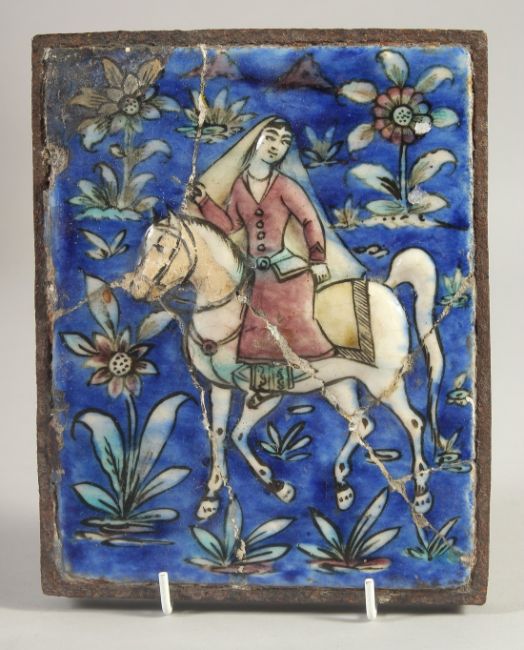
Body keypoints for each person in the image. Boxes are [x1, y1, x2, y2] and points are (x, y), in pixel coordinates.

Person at [190, 116, 364, 371]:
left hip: (288, 273)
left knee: (300, 330)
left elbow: (310, 220)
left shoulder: (284, 185)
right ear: (255, 141)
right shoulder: (240, 186)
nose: (276, 146)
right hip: (256, 275)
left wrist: (317, 259)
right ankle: (267, 378)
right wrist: (204, 201)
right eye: (270, 138)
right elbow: (230, 226)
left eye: (284, 142)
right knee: (254, 334)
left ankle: (322, 372)